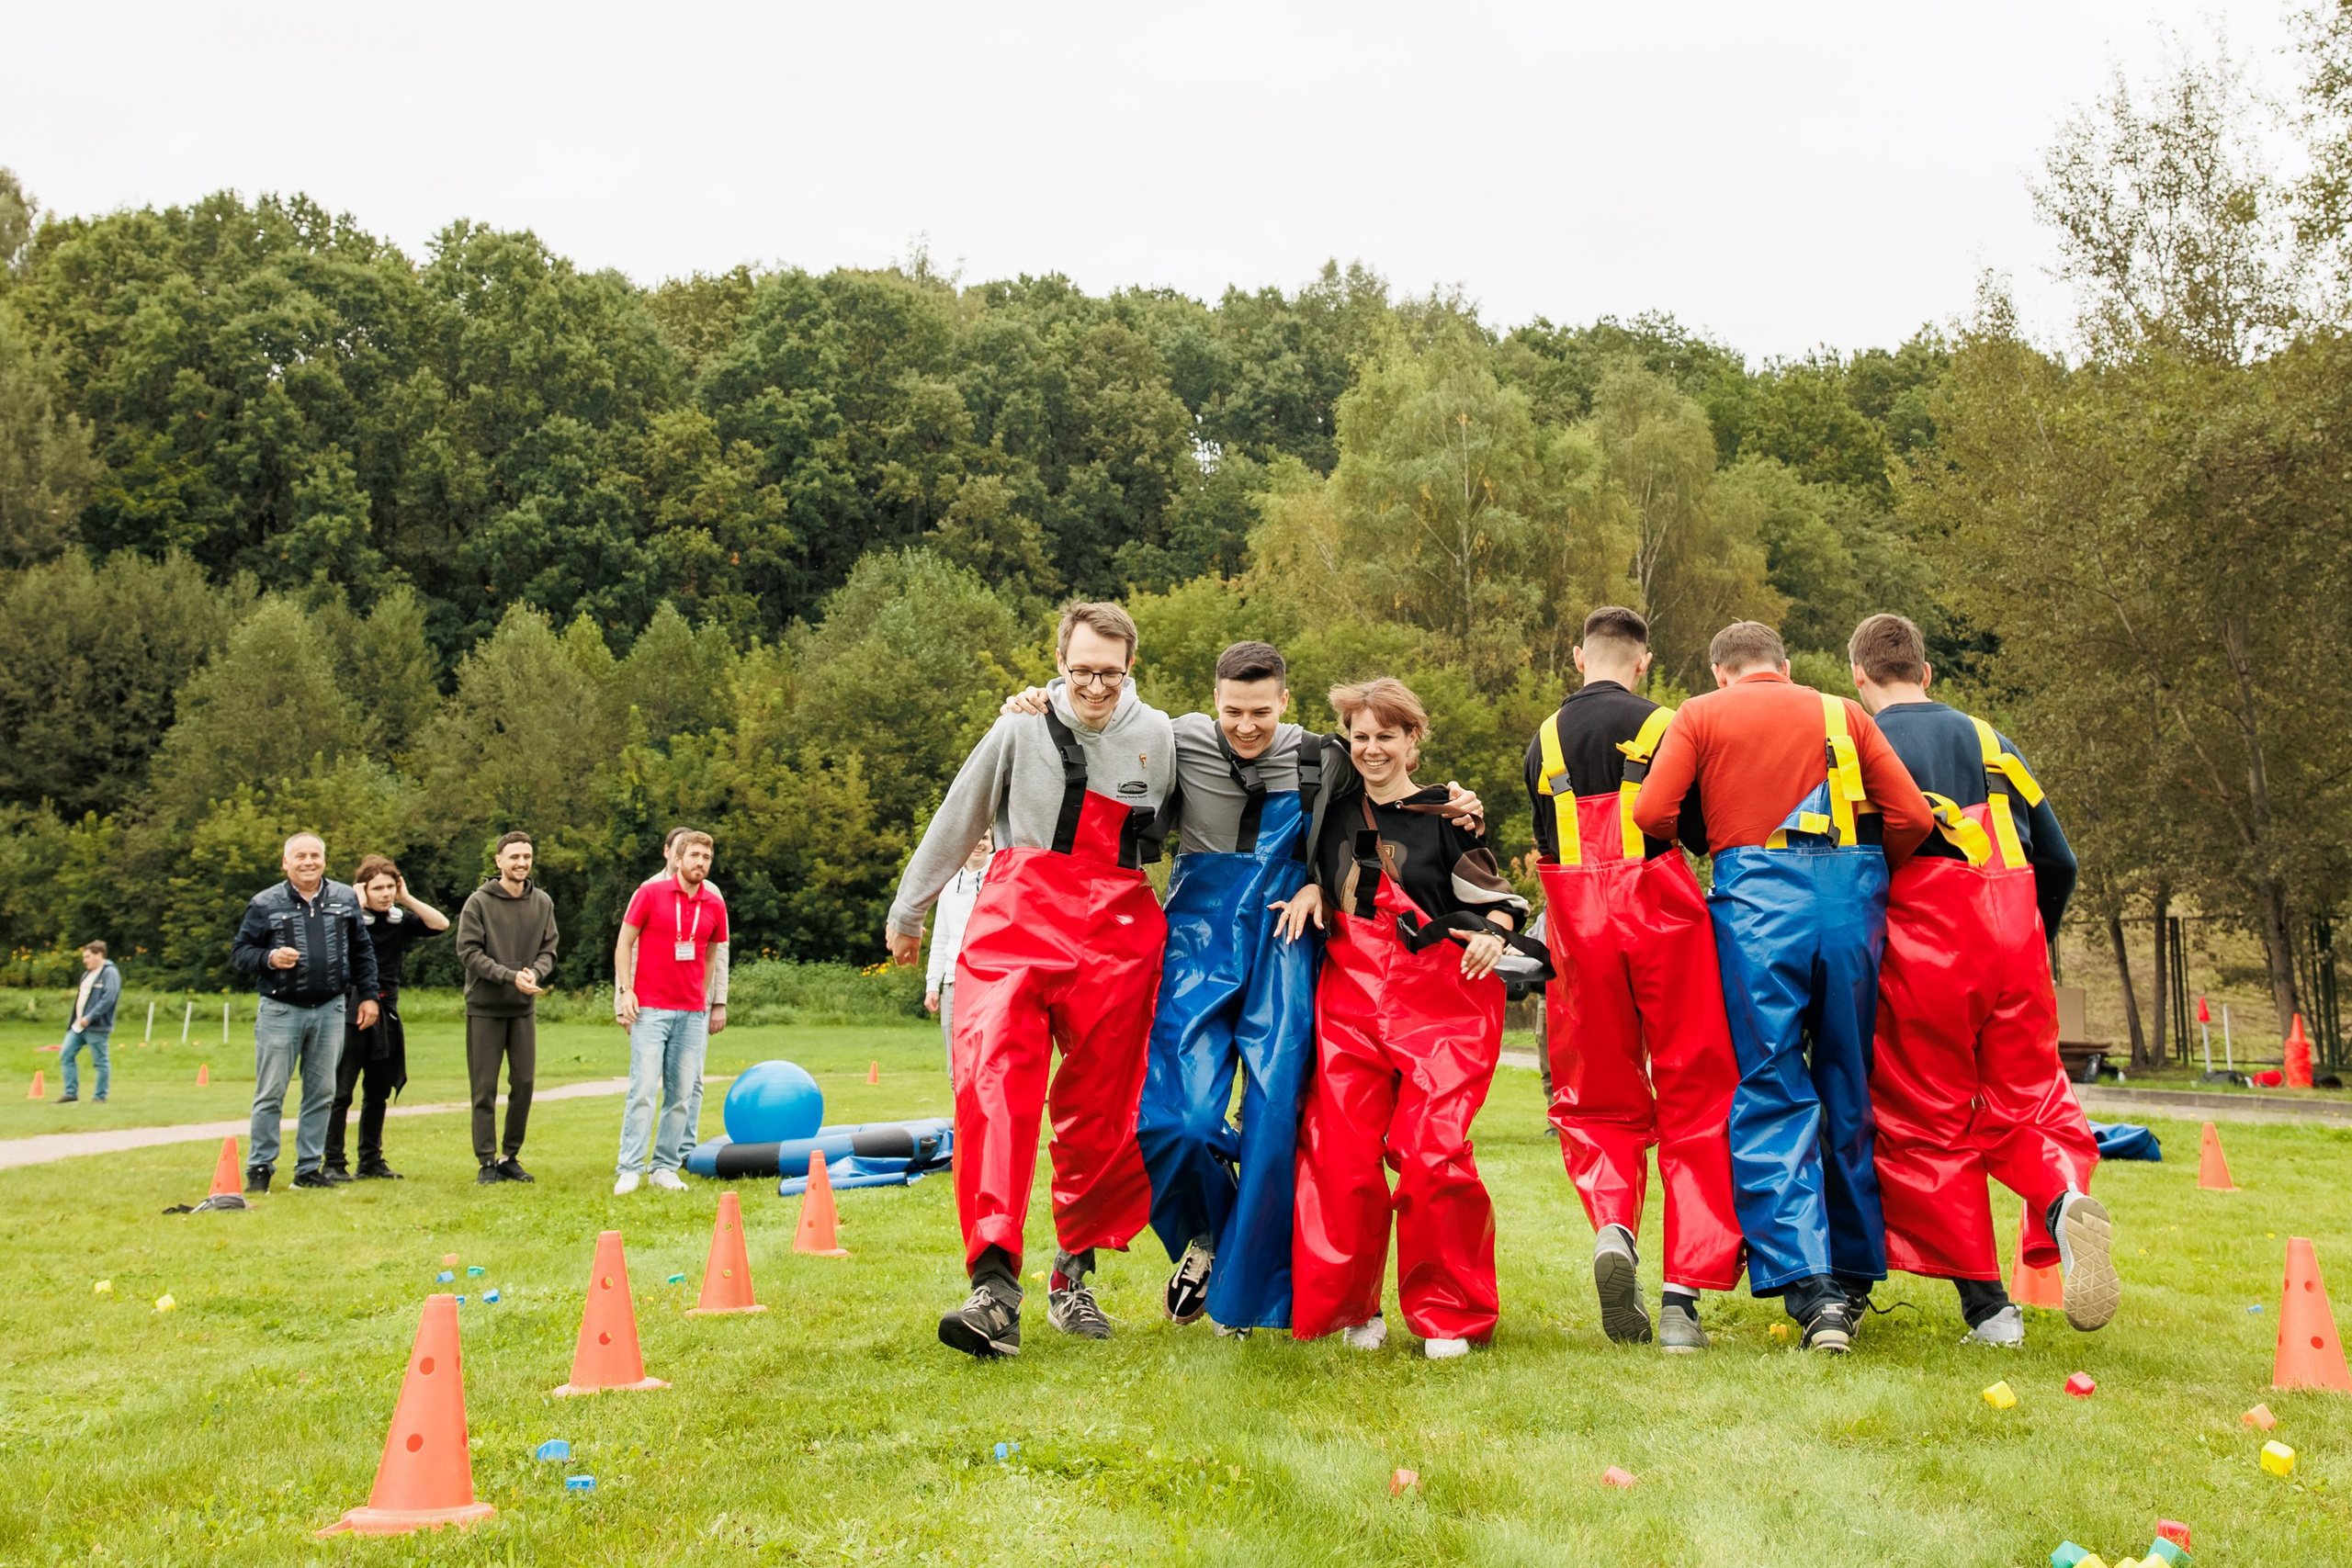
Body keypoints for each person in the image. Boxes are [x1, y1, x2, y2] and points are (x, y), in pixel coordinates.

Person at [1631, 622, 1933, 1352]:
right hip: (1850, 904)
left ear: (1719, 670)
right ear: (1787, 666)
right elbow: (1914, 816)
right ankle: (1853, 1276)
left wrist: (1712, 836)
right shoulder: (1842, 711)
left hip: (1759, 908)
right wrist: (1868, 872)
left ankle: (1812, 1291)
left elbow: (1650, 813)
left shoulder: (1700, 714)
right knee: (1848, 1083)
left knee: (1771, 1087)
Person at [886, 602, 1174, 1359]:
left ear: (1131, 667)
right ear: (1059, 663)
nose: (1096, 687)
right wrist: (910, 909)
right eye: (1082, 671)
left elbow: (1226, 798)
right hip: (1018, 917)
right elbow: (960, 812)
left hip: (1117, 932)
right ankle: (993, 1287)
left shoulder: (1161, 736)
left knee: (1102, 1108)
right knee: (991, 1084)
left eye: (1110, 673)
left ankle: (1073, 1275)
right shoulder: (1018, 727)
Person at [1847, 613, 2117, 1344]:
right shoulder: (1994, 741)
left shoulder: (1862, 746)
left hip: (1925, 949)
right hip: (2014, 933)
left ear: (1859, 677)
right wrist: (2030, 940)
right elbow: (2060, 861)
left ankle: (1990, 1309)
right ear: (1928, 672)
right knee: (2029, 1100)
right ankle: (2063, 1200)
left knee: (1925, 1121)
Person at [1288, 677, 1540, 1359]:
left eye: (1386, 736)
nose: (1372, 748)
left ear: (1412, 740)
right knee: (1340, 1155)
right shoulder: (1328, 809)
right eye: (1361, 736)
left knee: (1433, 1154)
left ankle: (1450, 1313)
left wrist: (1494, 934)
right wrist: (1311, 885)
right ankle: (1352, 1307)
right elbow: (1257, 734)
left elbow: (1497, 900)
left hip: (1442, 1004)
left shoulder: (1447, 816)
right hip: (1350, 1001)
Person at [1523, 606, 1741, 1351]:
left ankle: (1614, 1225)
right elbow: (1701, 832)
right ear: (1643, 662)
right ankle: (1683, 1298)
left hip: (1576, 924)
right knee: (1696, 1095)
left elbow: (1547, 839)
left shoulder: (1543, 739)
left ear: (1577, 658)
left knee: (1598, 1099)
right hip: (1662, 915)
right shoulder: (1669, 726)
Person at [230, 833, 379, 1192]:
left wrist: (369, 996)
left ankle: (309, 1169)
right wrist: (269, 957)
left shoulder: (344, 898)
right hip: (281, 1010)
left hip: (331, 1009)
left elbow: (362, 952)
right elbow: (240, 952)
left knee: (322, 1092)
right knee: (271, 1093)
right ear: (286, 863)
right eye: (300, 856)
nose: (309, 862)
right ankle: (260, 1167)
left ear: (324, 860)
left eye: (315, 855)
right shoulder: (264, 903)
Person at [614, 829, 728, 1194]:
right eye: (694, 855)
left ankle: (664, 1166)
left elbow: (712, 953)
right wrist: (626, 992)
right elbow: (624, 943)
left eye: (706, 858)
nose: (700, 863)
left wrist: (704, 997)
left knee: (681, 1095)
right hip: (650, 1009)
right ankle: (630, 1167)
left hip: (691, 1012)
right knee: (643, 1090)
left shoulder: (714, 904)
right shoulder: (650, 893)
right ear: (677, 859)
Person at [323, 857, 447, 1181]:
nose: (386, 893)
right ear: (363, 889)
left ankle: (370, 1161)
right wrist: (353, 906)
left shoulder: (397, 920)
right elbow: (330, 938)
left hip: (386, 1011)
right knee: (341, 1092)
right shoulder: (347, 919)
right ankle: (333, 1163)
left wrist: (407, 899)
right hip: (350, 1011)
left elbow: (441, 924)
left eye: (391, 886)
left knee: (378, 1091)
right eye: (378, 887)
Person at [456, 830, 558, 1185]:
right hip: (485, 1007)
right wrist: (509, 976)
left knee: (524, 1083)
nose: (521, 863)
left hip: (522, 1008)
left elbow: (549, 949)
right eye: (514, 856)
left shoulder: (542, 902)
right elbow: (469, 952)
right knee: (484, 1088)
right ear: (499, 860)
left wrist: (535, 972)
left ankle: (509, 1157)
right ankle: (486, 1161)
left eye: (526, 856)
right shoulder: (478, 903)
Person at [925, 832, 992, 1085]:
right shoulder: (949, 885)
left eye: (985, 838)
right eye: (974, 837)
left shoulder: (1000, 877)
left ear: (992, 844)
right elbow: (940, 938)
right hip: (954, 982)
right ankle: (960, 1109)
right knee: (957, 1064)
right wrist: (932, 984)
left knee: (986, 1060)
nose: (979, 843)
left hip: (989, 981)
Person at [58, 941, 120, 1104]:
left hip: (97, 1027)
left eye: (87, 956)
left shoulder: (110, 973)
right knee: (66, 1055)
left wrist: (90, 1017)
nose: (84, 960)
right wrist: (76, 1019)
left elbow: (108, 999)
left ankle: (99, 1097)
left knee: (100, 1062)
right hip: (78, 1026)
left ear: (99, 954)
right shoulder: (87, 974)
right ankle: (70, 1093)